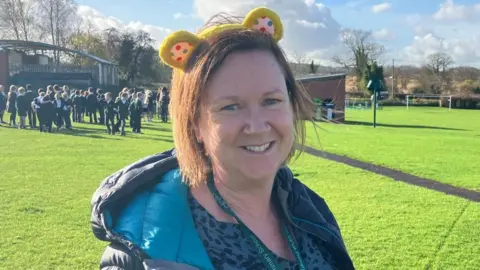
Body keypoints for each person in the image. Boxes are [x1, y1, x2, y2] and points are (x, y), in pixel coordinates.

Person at [90, 7, 354, 270]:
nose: (257, 125)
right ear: (195, 125)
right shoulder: (143, 253)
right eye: (231, 106)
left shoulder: (311, 210)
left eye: (271, 101)